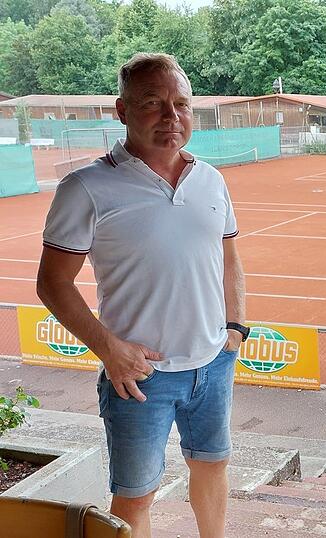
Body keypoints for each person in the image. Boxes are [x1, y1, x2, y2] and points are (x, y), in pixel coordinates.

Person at [36, 52, 247, 538]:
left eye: (181, 104)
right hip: (139, 376)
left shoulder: (211, 179)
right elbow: (52, 282)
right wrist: (110, 349)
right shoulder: (86, 187)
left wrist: (234, 330)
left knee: (213, 467)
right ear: (122, 109)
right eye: (153, 103)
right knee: (135, 495)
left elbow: (230, 257)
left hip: (213, 363)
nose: (171, 117)